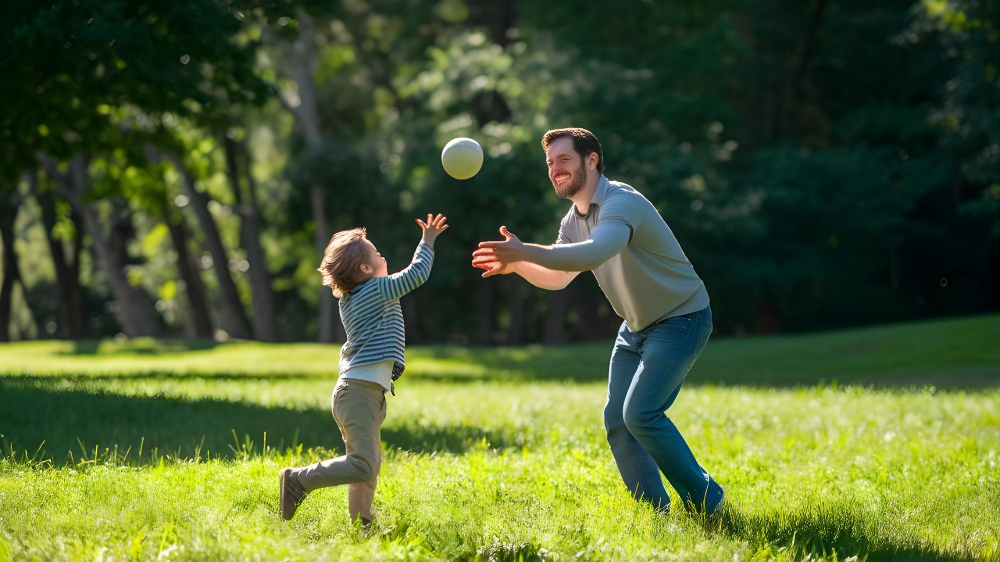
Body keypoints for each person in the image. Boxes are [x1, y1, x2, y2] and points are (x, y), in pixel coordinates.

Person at [471, 128, 724, 514]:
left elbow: (594, 252)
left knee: (641, 413)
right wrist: (518, 263)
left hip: (681, 317)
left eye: (564, 160)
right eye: (550, 163)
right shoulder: (574, 219)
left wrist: (527, 250)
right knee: (618, 420)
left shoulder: (622, 202)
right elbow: (558, 276)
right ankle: (656, 513)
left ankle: (707, 500)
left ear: (591, 160)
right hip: (635, 327)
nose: (555, 169)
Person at [280, 214, 449, 524]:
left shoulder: (357, 295)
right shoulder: (374, 290)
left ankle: (362, 523)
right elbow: (416, 275)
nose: (382, 256)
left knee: (368, 465)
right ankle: (298, 480)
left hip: (363, 395)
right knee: (363, 465)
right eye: (377, 253)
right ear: (366, 269)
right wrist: (427, 242)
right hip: (358, 395)